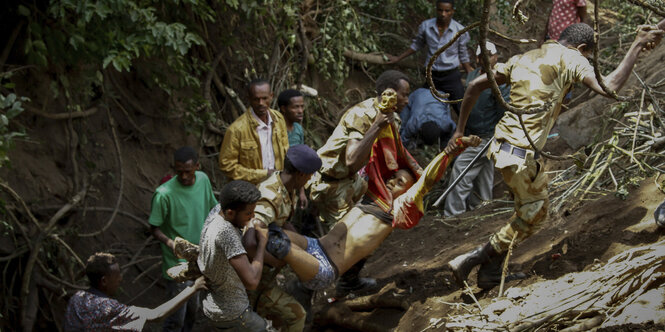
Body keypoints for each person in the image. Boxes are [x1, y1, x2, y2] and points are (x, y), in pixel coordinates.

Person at [447, 23, 664, 290]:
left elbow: (474, 87)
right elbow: (609, 86)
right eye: (586, 54)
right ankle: (471, 259)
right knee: (535, 214)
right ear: (582, 48)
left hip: (503, 147)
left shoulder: (525, 57)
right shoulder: (572, 57)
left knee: (526, 208)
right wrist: (637, 44)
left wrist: (459, 129)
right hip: (519, 153)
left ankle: (490, 273)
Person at [251, 136, 481, 291]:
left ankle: (262, 277)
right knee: (267, 231)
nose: (392, 182)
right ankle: (252, 270)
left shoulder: (398, 209)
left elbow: (427, 179)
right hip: (314, 245)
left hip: (324, 269)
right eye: (393, 177)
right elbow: (379, 155)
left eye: (400, 182)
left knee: (279, 244)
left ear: (409, 191)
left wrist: (451, 150)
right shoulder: (373, 194)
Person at [308, 69, 419, 293]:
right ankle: (320, 288)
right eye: (404, 95)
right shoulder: (362, 115)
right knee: (345, 242)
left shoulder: (391, 116)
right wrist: (377, 124)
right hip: (332, 183)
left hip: (355, 181)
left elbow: (392, 152)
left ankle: (348, 281)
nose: (407, 100)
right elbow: (351, 160)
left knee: (374, 226)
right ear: (389, 92)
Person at [244, 145, 322, 332]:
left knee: (285, 317)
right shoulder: (270, 196)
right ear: (301, 174)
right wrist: (280, 261)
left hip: (263, 280)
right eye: (310, 174)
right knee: (293, 316)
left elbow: (282, 221)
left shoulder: (287, 186)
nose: (311, 178)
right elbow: (249, 242)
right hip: (248, 279)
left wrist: (305, 245)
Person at [149, 146, 218, 331]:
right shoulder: (164, 194)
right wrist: (169, 242)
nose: (184, 177)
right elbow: (154, 227)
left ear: (197, 166)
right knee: (175, 317)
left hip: (198, 257)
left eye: (188, 172)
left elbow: (213, 208)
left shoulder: (203, 180)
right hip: (177, 263)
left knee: (192, 311)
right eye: (179, 172)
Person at [197, 180, 276, 331]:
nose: (252, 216)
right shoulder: (226, 233)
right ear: (230, 213)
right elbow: (252, 282)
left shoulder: (216, 212)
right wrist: (262, 244)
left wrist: (249, 223)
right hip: (233, 313)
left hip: (212, 303)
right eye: (248, 213)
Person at [443, 42, 509, 217]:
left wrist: (499, 138)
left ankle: (452, 214)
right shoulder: (473, 75)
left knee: (461, 169)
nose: (486, 59)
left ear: (496, 57)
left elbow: (504, 112)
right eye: (482, 56)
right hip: (471, 134)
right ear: (478, 58)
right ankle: (481, 211)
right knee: (483, 176)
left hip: (487, 137)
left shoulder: (500, 81)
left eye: (490, 54)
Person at [64, 253, 206, 331]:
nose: (120, 279)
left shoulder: (76, 298)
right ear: (104, 281)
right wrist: (193, 288)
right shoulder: (108, 308)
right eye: (117, 275)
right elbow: (156, 315)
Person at [386, 0, 473, 113]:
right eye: (440, 10)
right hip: (432, 75)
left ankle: (465, 130)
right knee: (422, 102)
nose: (443, 14)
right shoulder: (426, 26)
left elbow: (463, 54)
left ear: (452, 11)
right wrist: (398, 58)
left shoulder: (460, 30)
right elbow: (417, 44)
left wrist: (470, 72)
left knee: (461, 107)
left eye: (447, 11)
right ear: (436, 10)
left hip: (451, 76)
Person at [219, 79, 290, 185]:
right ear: (249, 99)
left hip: (278, 186)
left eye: (264, 98)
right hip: (251, 191)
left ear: (271, 96)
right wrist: (263, 174)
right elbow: (227, 166)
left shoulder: (278, 119)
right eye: (256, 99)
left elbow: (286, 151)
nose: (261, 103)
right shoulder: (236, 130)